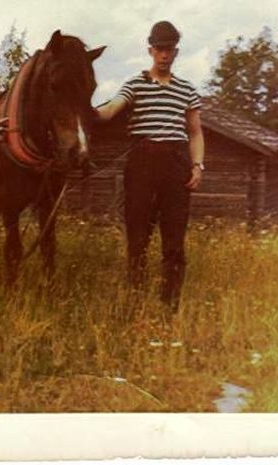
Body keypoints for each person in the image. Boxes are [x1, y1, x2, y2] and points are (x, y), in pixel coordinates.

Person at [96, 21, 205, 319]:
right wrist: (84, 110)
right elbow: (109, 111)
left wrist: (197, 166)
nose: (164, 54)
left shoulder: (187, 89)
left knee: (174, 237)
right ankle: (135, 297)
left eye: (169, 49)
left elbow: (195, 132)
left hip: (176, 164)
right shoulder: (135, 84)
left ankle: (170, 304)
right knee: (138, 234)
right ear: (150, 50)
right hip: (142, 164)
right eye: (159, 49)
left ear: (176, 52)